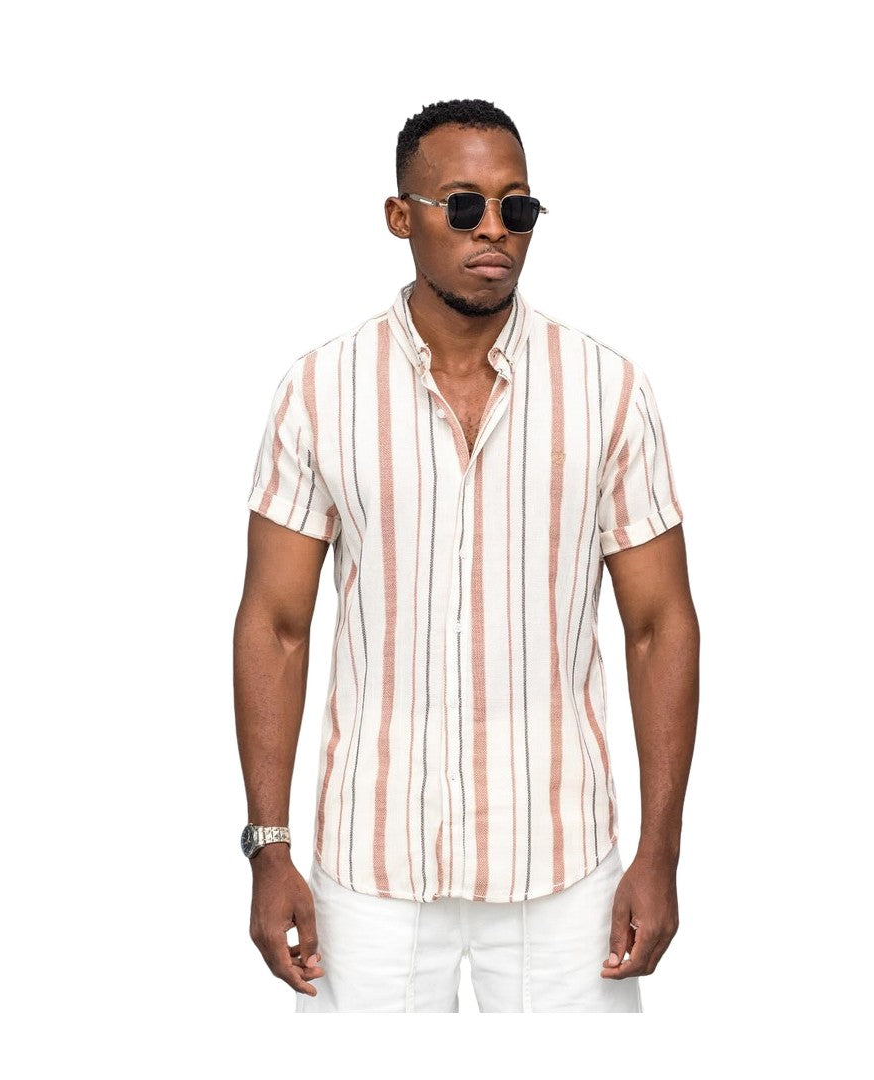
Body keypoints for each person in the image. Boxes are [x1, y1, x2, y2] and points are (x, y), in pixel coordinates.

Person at [233, 98, 700, 1013]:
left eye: (515, 207)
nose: (494, 228)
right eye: (463, 205)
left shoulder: (606, 390)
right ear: (399, 217)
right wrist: (269, 846)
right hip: (370, 871)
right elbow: (276, 625)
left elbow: (659, 625)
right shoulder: (321, 392)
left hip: (563, 868)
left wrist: (660, 851)